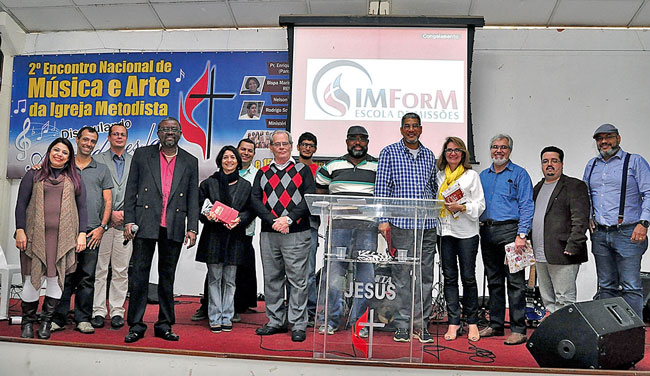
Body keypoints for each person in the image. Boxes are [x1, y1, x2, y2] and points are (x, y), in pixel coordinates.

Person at [123, 117, 199, 343]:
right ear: (158, 133)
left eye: (174, 129)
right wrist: (129, 220)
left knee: (167, 277)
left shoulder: (190, 161)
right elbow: (131, 189)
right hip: (145, 222)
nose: (169, 133)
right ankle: (135, 324)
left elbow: (193, 198)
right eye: (165, 129)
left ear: (180, 133)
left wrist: (192, 227)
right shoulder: (142, 155)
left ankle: (164, 324)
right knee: (139, 276)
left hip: (173, 224)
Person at [15, 137, 87, 339]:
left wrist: (82, 233)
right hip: (34, 238)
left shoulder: (75, 179)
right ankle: (27, 323)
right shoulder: (33, 175)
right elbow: (21, 204)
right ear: (49, 152)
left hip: (61, 240)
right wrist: (20, 229)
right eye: (56, 150)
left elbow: (83, 208)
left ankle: (46, 322)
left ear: (69, 158)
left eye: (64, 152)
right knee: (31, 280)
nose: (59, 154)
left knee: (56, 281)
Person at [374, 112, 437, 343]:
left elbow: (433, 189)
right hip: (401, 226)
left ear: (421, 129)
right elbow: (381, 189)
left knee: (425, 277)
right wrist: (382, 219)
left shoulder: (430, 155)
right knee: (401, 278)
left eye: (415, 126)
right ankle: (401, 325)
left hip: (427, 226)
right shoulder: (389, 153)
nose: (411, 130)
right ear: (401, 130)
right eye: (407, 126)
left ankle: (421, 325)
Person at [251, 130, 315, 342]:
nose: (281, 147)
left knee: (298, 280)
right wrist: (273, 221)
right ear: (270, 147)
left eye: (285, 144)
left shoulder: (302, 170)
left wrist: (287, 220)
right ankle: (275, 321)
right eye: (277, 144)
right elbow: (255, 201)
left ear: (291, 146)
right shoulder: (263, 173)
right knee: (272, 279)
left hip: (296, 232)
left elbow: (308, 200)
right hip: (270, 233)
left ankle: (298, 324)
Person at [315, 125, 378, 337]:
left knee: (366, 278)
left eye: (362, 139)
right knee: (333, 276)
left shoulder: (378, 166)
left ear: (367, 142)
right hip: (339, 227)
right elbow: (321, 193)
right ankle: (331, 320)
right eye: (353, 139)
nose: (358, 142)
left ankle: (359, 323)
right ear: (347, 142)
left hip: (367, 228)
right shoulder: (331, 166)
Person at [583, 124, 650, 316]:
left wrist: (643, 222)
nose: (604, 141)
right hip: (600, 234)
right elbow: (585, 194)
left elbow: (649, 192)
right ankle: (608, 333)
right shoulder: (592, 164)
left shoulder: (635, 161)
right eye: (599, 138)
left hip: (628, 232)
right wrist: (588, 217)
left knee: (631, 286)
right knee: (605, 286)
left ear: (618, 139)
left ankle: (632, 334)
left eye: (609, 137)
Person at [52, 127, 113, 335]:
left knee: (87, 277)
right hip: (65, 231)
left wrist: (101, 228)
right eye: (85, 139)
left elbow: (108, 201)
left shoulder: (102, 169)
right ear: (77, 140)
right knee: (65, 276)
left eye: (93, 141)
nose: (88, 143)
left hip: (91, 233)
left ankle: (82, 319)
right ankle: (58, 318)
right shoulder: (64, 165)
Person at [191, 138, 259, 323]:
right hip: (213, 236)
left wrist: (240, 220)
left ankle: (227, 316)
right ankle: (214, 317)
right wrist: (206, 216)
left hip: (235, 237)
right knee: (214, 278)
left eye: (232, 158)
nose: (229, 161)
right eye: (225, 157)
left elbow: (251, 210)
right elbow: (199, 207)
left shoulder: (246, 186)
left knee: (230, 280)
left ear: (238, 161)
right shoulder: (208, 184)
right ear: (220, 160)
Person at [478, 134, 534, 345]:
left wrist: (522, 235)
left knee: (516, 283)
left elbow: (527, 205)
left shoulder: (520, 174)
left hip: (512, 233)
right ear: (490, 150)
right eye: (494, 147)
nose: (498, 151)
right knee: (493, 281)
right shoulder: (483, 175)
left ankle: (519, 329)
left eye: (503, 147)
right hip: (487, 232)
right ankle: (496, 325)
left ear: (510, 150)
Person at [436, 137, 485, 342]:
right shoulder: (438, 175)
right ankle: (454, 321)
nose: (452, 153)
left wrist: (462, 207)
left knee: (468, 277)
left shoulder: (471, 176)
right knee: (449, 278)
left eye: (457, 150)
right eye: (449, 150)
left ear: (463, 153)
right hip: (444, 233)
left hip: (466, 233)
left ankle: (472, 321)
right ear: (444, 153)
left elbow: (480, 205)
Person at [532, 146, 590, 314]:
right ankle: (553, 333)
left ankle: (566, 336)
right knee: (548, 299)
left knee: (564, 299)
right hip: (541, 252)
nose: (549, 164)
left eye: (554, 161)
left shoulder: (574, 186)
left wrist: (573, 245)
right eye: (545, 161)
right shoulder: (538, 187)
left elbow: (580, 219)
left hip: (564, 252)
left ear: (562, 164)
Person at [91, 123, 133, 330]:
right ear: (108, 138)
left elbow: (139, 192)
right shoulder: (97, 160)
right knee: (100, 269)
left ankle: (117, 310)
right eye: (115, 134)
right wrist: (107, 217)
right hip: (103, 224)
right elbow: (93, 193)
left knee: (121, 270)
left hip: (126, 225)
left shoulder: (135, 162)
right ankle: (98, 310)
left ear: (127, 138)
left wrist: (127, 215)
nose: (119, 137)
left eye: (122, 134)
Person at [297, 132, 319, 324]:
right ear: (298, 147)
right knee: (291, 270)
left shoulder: (320, 171)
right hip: (291, 226)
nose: (307, 148)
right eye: (304, 145)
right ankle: (293, 308)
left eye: (311, 145)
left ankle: (310, 311)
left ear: (315, 149)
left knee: (309, 270)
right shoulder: (289, 169)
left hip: (311, 224)